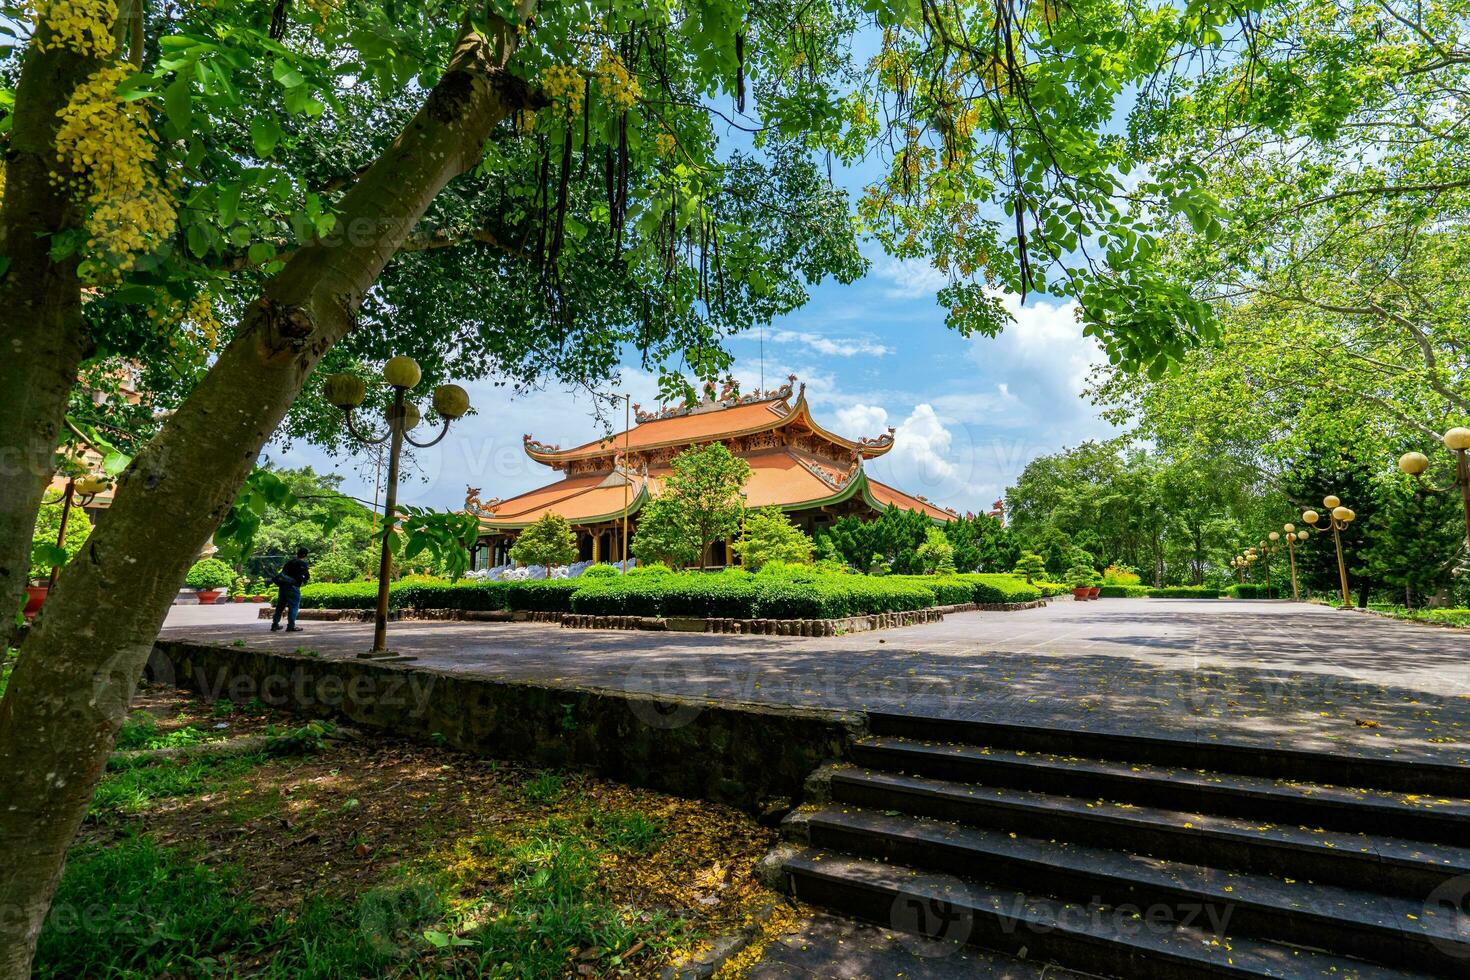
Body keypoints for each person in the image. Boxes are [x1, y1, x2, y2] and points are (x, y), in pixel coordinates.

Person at [270, 547, 311, 632]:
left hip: (283, 586)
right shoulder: (303, 564)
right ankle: (291, 626)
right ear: (305, 555)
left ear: (297, 553)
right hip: (293, 587)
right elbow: (307, 577)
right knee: (293, 606)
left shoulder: (289, 562)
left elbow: (282, 573)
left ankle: (275, 624)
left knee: (280, 606)